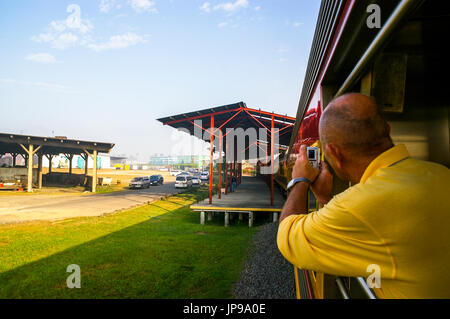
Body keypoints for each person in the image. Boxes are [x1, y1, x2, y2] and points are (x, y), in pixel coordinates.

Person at [277, 93, 450, 298]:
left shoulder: (357, 205)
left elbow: (287, 237)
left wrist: (299, 181)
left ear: (335, 153)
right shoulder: (441, 173)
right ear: (387, 130)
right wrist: (326, 200)